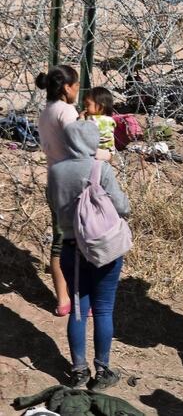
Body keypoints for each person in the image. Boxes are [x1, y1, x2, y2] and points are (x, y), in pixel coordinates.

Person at [48, 122, 130, 390]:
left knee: (79, 310)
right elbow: (122, 207)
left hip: (71, 248)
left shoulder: (56, 171)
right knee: (104, 309)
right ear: (93, 141)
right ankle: (103, 371)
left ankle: (78, 370)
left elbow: (52, 203)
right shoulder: (100, 168)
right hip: (101, 249)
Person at [36, 65, 83, 317]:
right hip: (72, 183)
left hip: (54, 180)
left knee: (59, 241)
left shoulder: (46, 112)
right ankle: (80, 297)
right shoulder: (66, 111)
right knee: (81, 241)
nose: (77, 90)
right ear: (66, 88)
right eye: (75, 86)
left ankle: (62, 299)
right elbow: (81, 146)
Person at [81, 86, 116, 153]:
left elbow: (82, 132)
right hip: (108, 152)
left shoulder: (93, 120)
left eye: (88, 105)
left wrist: (81, 120)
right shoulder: (110, 120)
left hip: (96, 153)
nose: (85, 108)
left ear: (101, 107)